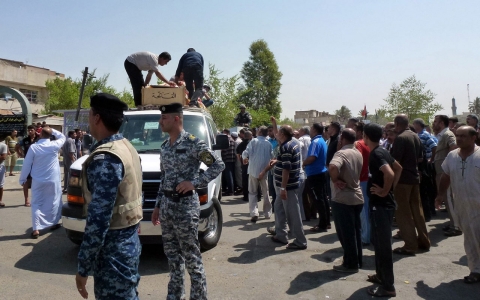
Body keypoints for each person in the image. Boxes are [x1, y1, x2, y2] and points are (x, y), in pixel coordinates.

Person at [151, 103, 224, 300]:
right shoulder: (165, 147)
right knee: (173, 256)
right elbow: (164, 178)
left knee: (191, 256)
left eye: (164, 118)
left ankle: (198, 297)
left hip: (185, 207)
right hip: (167, 206)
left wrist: (195, 183)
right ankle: (175, 295)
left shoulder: (193, 143)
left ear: (176, 118)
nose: (160, 122)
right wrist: (157, 205)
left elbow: (218, 165)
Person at [74, 93, 142, 299]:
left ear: (96, 118)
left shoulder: (105, 158)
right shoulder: (127, 147)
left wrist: (83, 267)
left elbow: (99, 220)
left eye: (89, 115)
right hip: (129, 243)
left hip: (113, 253)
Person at [435, 126, 480, 284]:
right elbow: (445, 175)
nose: (459, 139)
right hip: (462, 205)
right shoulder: (452, 156)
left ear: (474, 137)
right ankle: (475, 270)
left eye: (463, 136)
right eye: (457, 136)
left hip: (478, 204)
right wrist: (440, 194)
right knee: (470, 239)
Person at [363, 123, 402, 298]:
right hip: (381, 205)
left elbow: (391, 173)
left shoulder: (377, 154)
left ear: (365, 136)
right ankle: (380, 276)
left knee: (383, 246)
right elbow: (398, 168)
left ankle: (388, 287)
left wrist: (385, 190)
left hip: (381, 206)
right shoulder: (382, 150)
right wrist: (391, 188)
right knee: (378, 243)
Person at [263, 124, 307, 250]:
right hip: (287, 186)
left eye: (279, 133)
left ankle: (300, 241)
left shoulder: (287, 146)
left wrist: (283, 188)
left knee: (293, 214)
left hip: (288, 187)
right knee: (278, 207)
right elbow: (287, 162)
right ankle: (281, 234)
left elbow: (286, 169)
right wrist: (278, 161)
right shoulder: (291, 143)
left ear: (282, 134)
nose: (276, 134)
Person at [391, 114, 430, 255]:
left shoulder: (401, 138)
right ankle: (424, 241)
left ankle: (410, 245)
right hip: (414, 178)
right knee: (417, 211)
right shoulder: (415, 136)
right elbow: (421, 157)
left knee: (403, 213)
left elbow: (395, 161)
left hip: (402, 180)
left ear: (396, 124)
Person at [19, 126, 65, 238]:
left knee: (36, 204)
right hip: (53, 180)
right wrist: (51, 130)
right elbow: (63, 136)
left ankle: (36, 230)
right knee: (54, 201)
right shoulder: (54, 145)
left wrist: (22, 178)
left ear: (40, 134)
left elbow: (27, 164)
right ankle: (54, 223)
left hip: (38, 180)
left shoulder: (34, 147)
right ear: (50, 135)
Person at [329, 128, 364, 273]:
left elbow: (332, 166)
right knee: (355, 232)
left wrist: (335, 179)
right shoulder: (357, 152)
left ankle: (350, 264)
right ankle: (356, 260)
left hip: (343, 198)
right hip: (357, 196)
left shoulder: (341, 153)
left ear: (342, 138)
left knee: (346, 234)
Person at [432, 115, 461, 236]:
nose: (434, 123)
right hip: (441, 172)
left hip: (446, 173)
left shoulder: (447, 134)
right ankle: (452, 222)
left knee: (449, 198)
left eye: (436, 121)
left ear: (442, 123)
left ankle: (456, 226)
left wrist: (447, 165)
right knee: (447, 198)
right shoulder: (441, 135)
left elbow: (454, 147)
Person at [242, 126, 273, 222]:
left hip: (253, 170)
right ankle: (267, 213)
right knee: (265, 192)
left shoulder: (254, 141)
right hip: (265, 170)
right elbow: (272, 157)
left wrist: (245, 158)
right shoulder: (268, 144)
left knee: (252, 192)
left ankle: (254, 213)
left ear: (259, 132)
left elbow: (246, 152)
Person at [303, 123, 329, 231]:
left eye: (311, 129)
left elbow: (312, 157)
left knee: (318, 200)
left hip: (315, 174)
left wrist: (303, 163)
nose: (310, 131)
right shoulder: (322, 141)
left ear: (314, 130)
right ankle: (326, 222)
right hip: (320, 173)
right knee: (323, 199)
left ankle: (323, 224)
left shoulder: (315, 142)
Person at [413, 118, 438, 222]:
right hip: (422, 164)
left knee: (425, 189)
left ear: (418, 125)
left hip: (425, 165)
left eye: (414, 124)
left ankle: (428, 213)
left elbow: (434, 146)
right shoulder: (419, 135)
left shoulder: (424, 135)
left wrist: (431, 159)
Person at [354, 122, 371, 245]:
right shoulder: (369, 143)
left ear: (360, 132)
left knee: (363, 210)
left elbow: (357, 160)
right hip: (367, 178)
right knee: (366, 208)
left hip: (361, 179)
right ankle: (367, 234)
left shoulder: (358, 144)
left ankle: (365, 236)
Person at [15, 125, 38, 207]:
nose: (30, 131)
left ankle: (37, 200)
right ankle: (26, 200)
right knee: (26, 181)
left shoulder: (39, 139)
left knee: (37, 181)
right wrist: (20, 153)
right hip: (28, 163)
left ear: (35, 130)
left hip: (38, 163)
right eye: (29, 130)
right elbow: (17, 146)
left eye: (31, 130)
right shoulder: (25, 140)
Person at [237, 131, 252, 202]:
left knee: (245, 180)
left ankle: (246, 196)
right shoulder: (253, 143)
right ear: (250, 136)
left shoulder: (240, 144)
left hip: (244, 165)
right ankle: (257, 196)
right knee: (254, 180)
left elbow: (238, 155)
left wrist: (241, 162)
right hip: (252, 164)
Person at [221, 129, 236, 196]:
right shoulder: (232, 139)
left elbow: (224, 148)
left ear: (225, 132)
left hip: (227, 159)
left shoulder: (226, 139)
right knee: (231, 175)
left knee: (228, 175)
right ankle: (232, 189)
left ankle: (230, 191)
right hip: (232, 159)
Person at [0, 141, 7, 207]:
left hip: (0, 167)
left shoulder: (3, 145)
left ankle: (0, 200)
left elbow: (3, 157)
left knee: (0, 185)